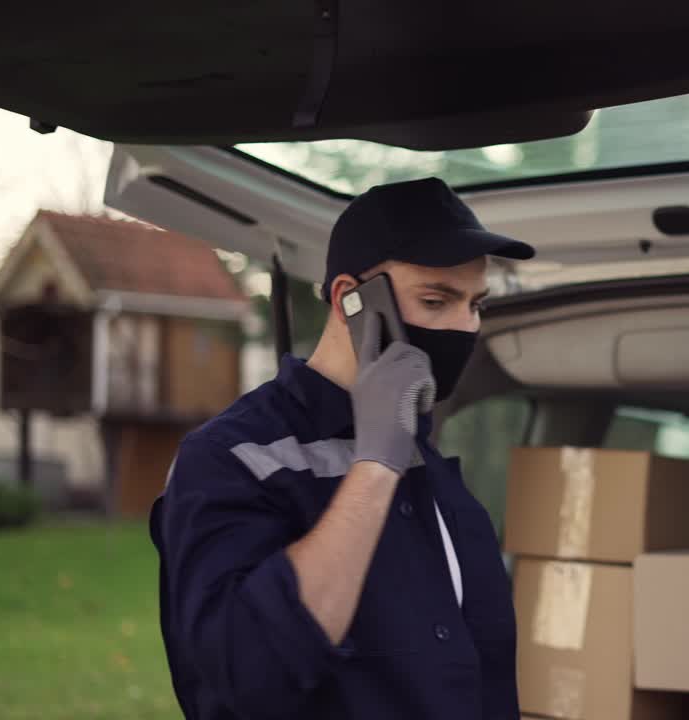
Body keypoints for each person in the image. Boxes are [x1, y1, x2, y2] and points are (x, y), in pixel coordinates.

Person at [149, 177, 536, 720]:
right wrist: (374, 464)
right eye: (435, 300)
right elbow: (247, 676)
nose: (464, 326)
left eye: (475, 304)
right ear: (348, 299)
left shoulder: (431, 462)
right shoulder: (230, 457)